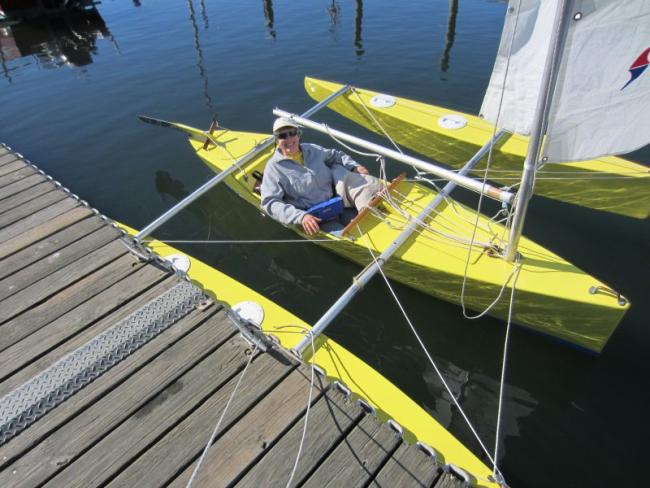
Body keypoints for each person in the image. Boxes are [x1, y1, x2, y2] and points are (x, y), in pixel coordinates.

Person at [261, 117, 383, 235]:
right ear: (277, 140)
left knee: (372, 220)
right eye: (282, 136)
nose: (288, 139)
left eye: (292, 133)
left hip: (339, 203)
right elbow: (270, 202)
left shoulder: (312, 150)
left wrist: (353, 166)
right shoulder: (273, 168)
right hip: (318, 219)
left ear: (298, 135)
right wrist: (301, 217)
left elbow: (336, 155)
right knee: (351, 236)